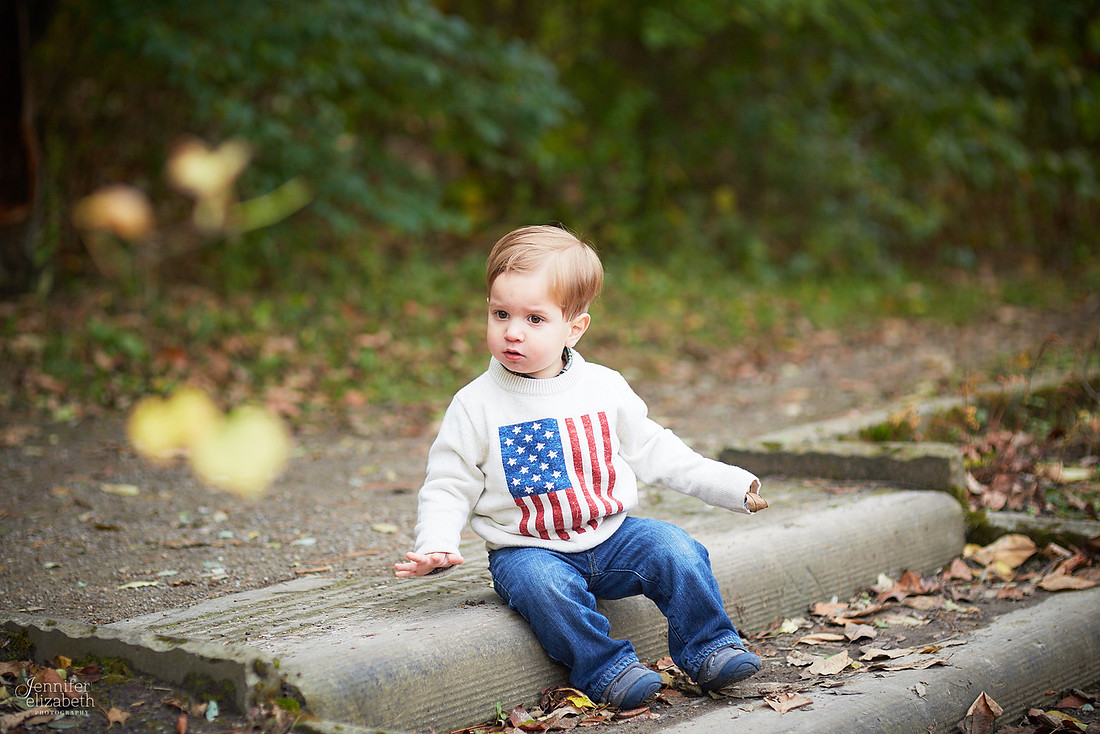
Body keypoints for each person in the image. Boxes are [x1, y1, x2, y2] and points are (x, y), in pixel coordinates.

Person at [395, 225, 766, 709]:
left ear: (575, 327)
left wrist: (728, 484)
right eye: (500, 313)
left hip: (613, 536)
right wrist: (437, 543)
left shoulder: (604, 387)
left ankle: (711, 648)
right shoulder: (475, 405)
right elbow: (448, 483)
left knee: (676, 548)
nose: (512, 330)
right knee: (543, 588)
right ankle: (606, 668)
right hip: (528, 549)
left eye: (534, 318)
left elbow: (656, 450)